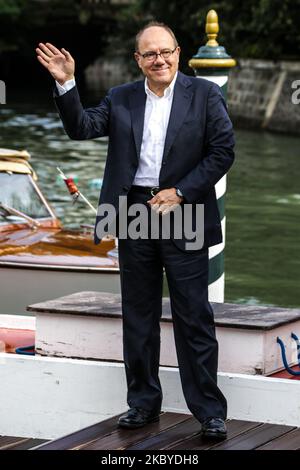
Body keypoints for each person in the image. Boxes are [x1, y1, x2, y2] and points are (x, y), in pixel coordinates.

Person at [36, 21, 235, 441]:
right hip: (133, 213)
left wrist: (181, 192)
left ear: (178, 53)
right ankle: (143, 404)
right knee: (138, 316)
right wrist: (67, 83)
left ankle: (210, 412)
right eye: (149, 54)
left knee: (193, 315)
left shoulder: (205, 95)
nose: (158, 60)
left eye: (165, 52)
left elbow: (222, 152)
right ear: (138, 59)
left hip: (184, 210)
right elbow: (81, 128)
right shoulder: (121, 97)